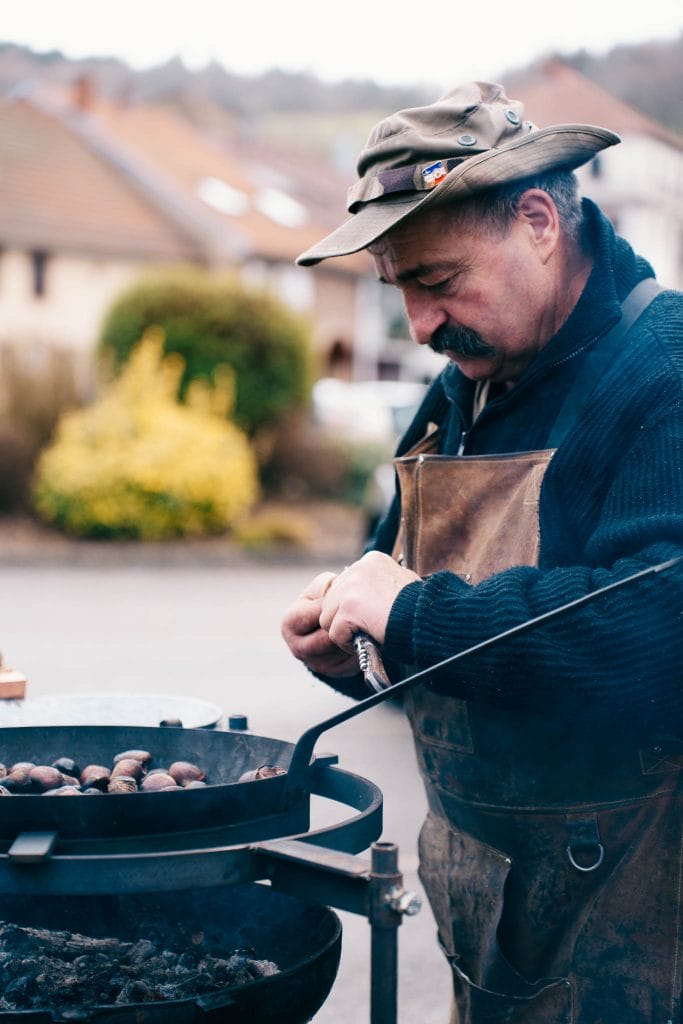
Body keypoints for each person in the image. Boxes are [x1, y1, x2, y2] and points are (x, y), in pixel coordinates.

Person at [281, 81, 683, 1023]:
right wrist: (360, 651)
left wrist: (413, 616)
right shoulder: (472, 380)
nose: (418, 328)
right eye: (398, 290)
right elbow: (400, 596)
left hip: (637, 920)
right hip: (492, 904)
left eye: (437, 280)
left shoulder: (662, 373)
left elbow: (657, 625)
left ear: (538, 220)